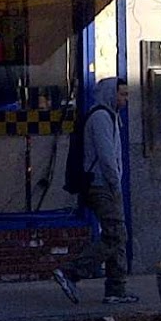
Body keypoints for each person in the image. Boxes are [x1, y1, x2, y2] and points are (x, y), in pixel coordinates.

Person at [53, 78, 137, 304]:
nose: (125, 99)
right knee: (115, 235)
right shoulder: (100, 117)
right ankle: (72, 271)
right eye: (122, 95)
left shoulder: (110, 116)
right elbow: (106, 156)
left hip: (105, 184)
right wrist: (115, 184)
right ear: (111, 94)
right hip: (101, 185)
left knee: (118, 235)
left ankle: (116, 289)